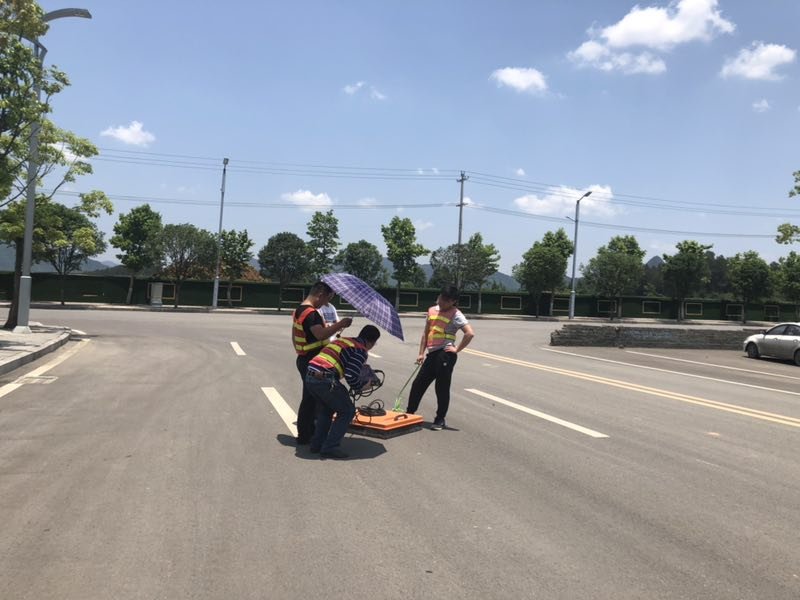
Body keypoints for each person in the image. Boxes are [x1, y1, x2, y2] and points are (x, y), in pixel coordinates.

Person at [306, 325, 381, 459]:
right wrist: (363, 386)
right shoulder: (360, 350)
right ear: (372, 342)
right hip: (325, 380)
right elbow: (351, 375)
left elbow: (344, 364)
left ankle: (316, 445)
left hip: (310, 377)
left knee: (327, 409)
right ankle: (330, 447)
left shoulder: (345, 341)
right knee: (347, 411)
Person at [406, 285, 474, 430]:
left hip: (445, 355)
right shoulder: (431, 310)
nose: (443, 302)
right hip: (432, 354)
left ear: (453, 302)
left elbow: (469, 333)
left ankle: (440, 419)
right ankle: (410, 413)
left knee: (441, 388)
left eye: (447, 300)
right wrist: (421, 353)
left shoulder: (456, 314)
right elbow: (426, 333)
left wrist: (456, 349)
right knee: (418, 384)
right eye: (442, 298)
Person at [292, 281, 352, 445]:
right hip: (310, 360)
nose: (326, 303)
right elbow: (320, 335)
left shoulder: (300, 309)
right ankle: (305, 435)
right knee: (311, 399)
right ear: (320, 294)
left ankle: (310, 432)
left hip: (304, 357)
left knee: (312, 398)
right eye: (327, 299)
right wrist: (341, 324)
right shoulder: (311, 313)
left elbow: (296, 335)